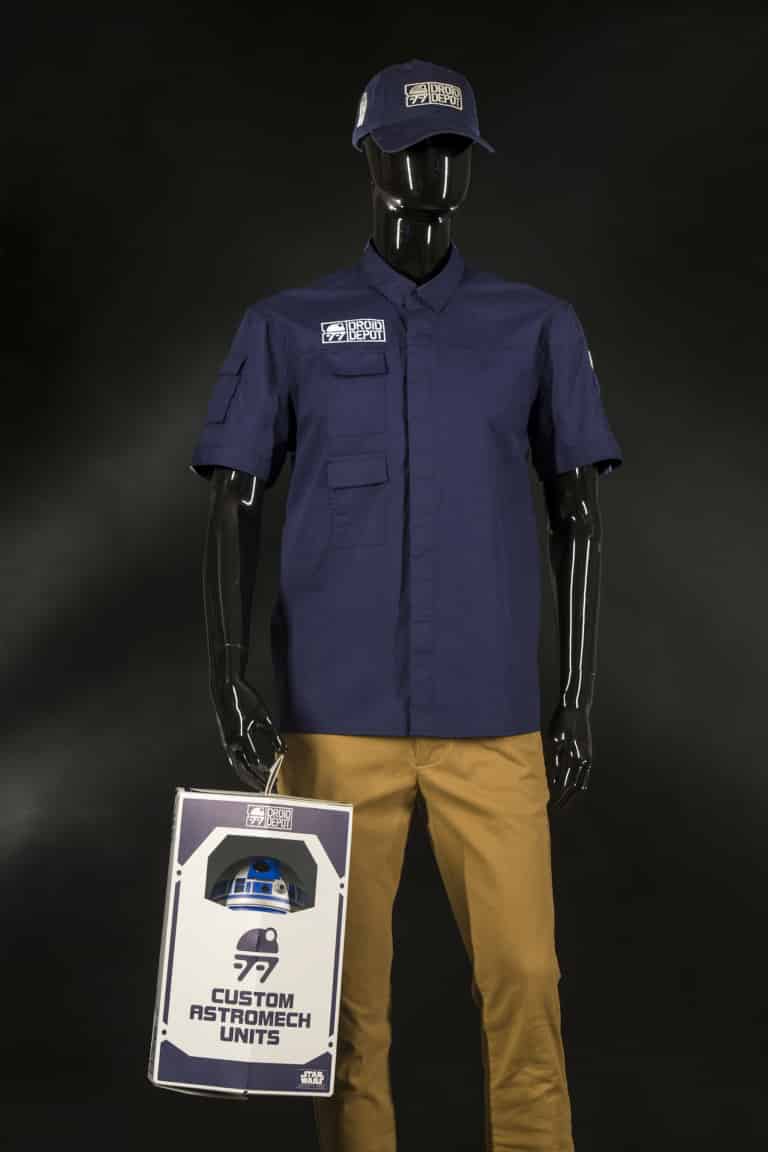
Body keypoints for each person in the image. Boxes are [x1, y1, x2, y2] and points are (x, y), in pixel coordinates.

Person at [189, 57, 623, 1152]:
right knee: (340, 1015)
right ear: (370, 158)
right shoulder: (288, 327)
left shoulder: (536, 327)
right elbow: (233, 500)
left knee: (526, 989)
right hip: (334, 720)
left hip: (493, 716)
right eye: (413, 146)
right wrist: (228, 675)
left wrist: (574, 697)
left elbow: (578, 513)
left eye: (454, 149)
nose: (436, 169)